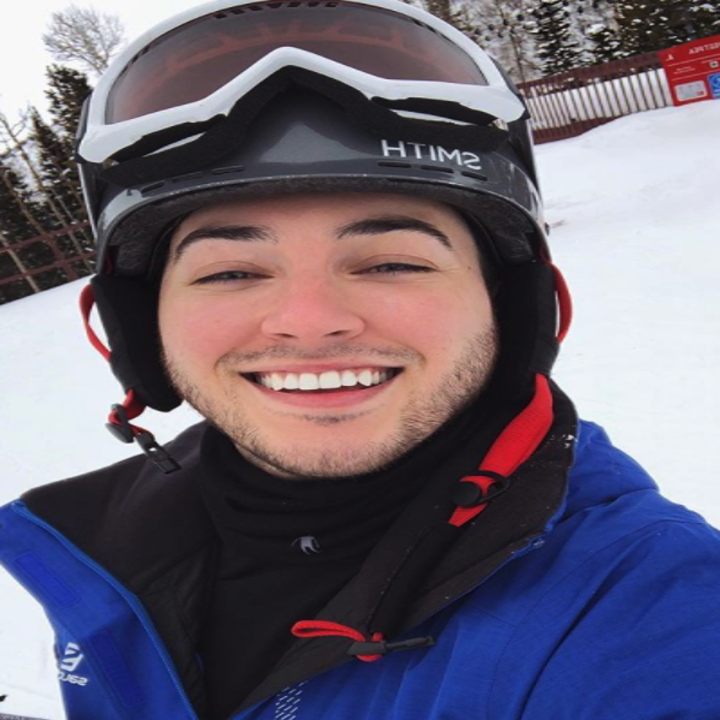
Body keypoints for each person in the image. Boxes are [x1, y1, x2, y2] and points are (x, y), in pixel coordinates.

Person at [1, 1, 720, 718]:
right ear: (135, 328)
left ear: (514, 307)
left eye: (391, 263)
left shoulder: (646, 603)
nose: (309, 322)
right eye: (231, 272)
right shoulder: (101, 557)